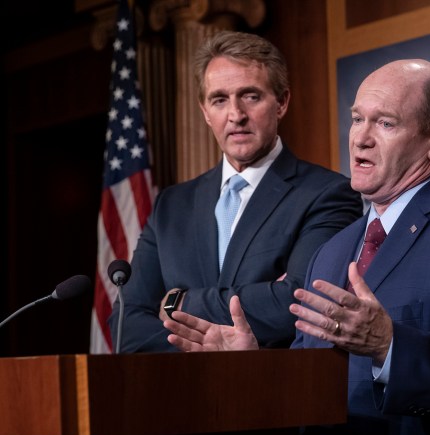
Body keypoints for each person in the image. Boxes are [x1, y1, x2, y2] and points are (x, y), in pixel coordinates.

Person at [164, 59, 430, 435]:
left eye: (385, 123)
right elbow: (310, 384)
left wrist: (390, 345)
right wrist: (255, 367)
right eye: (358, 119)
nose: (360, 137)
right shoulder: (333, 250)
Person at [109, 31, 362, 352]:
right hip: (179, 393)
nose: (236, 115)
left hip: (273, 391)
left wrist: (177, 302)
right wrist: (209, 345)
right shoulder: (171, 205)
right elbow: (125, 325)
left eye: (251, 96)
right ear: (204, 111)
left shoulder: (328, 193)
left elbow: (303, 306)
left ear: (282, 102)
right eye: (219, 99)